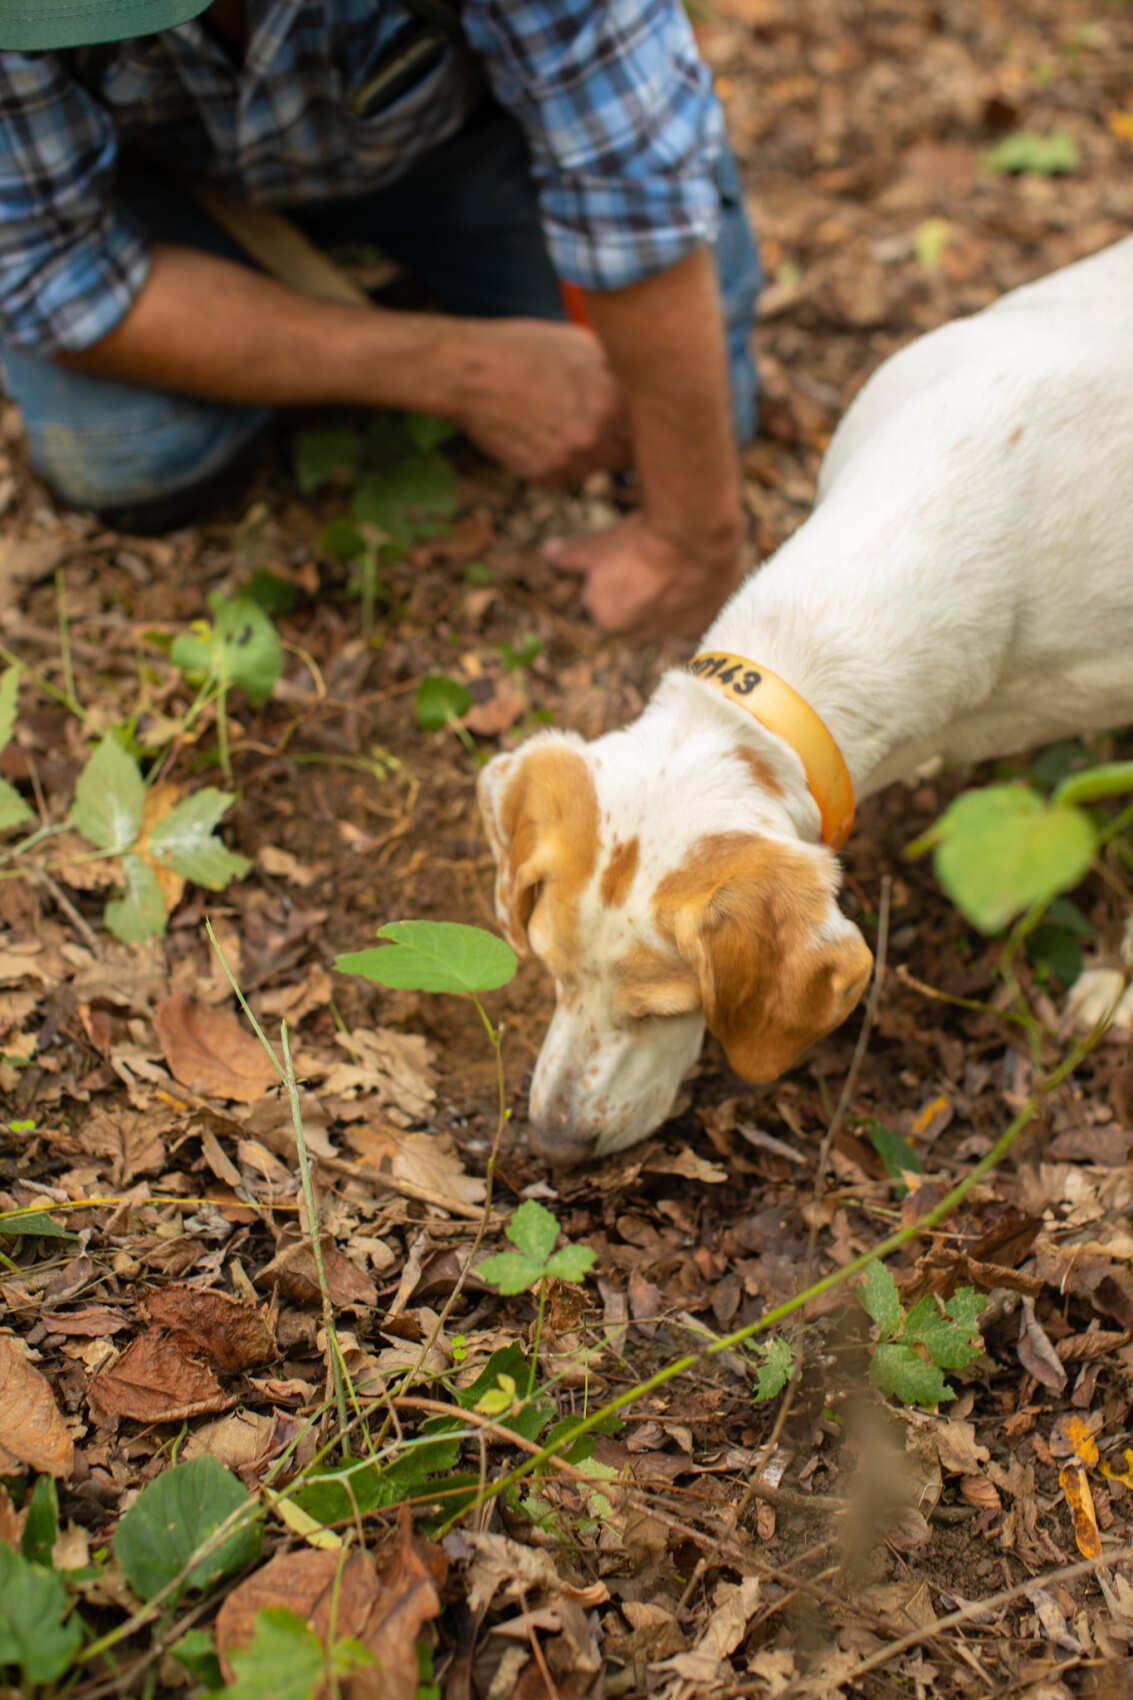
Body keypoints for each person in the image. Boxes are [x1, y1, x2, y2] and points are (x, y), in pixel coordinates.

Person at [0, 1, 762, 635]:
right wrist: (458, 371)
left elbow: (630, 183)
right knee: (129, 451)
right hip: (165, 188)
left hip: (454, 138)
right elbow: (53, 272)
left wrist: (690, 542)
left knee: (690, 401)